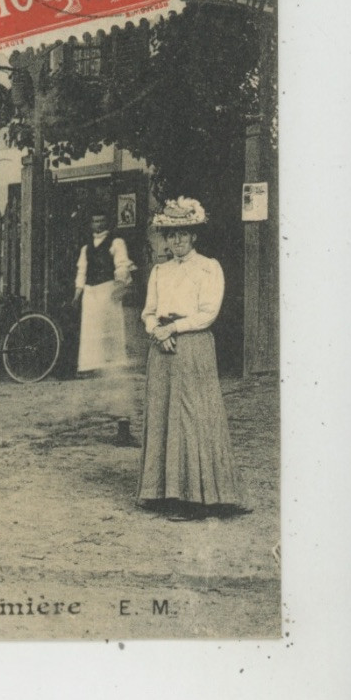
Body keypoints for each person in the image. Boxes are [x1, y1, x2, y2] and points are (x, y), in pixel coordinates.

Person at [137, 198, 244, 521]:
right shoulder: (160, 271)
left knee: (193, 417)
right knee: (163, 415)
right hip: (163, 350)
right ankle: (162, 491)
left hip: (193, 347)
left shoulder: (209, 267)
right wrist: (158, 330)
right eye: (171, 235)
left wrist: (174, 327)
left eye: (183, 234)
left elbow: (207, 313)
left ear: (194, 235)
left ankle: (197, 498)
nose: (177, 241)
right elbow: (149, 311)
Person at [73, 209, 138, 445]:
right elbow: (82, 272)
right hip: (92, 297)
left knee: (114, 351)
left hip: (108, 293)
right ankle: (96, 367)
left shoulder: (116, 242)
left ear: (107, 222)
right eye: (94, 220)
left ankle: (122, 421)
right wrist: (77, 293)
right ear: (90, 223)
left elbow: (121, 266)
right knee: (95, 347)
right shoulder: (86, 247)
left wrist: (121, 284)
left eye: (101, 220)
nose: (98, 224)